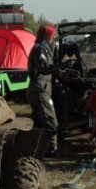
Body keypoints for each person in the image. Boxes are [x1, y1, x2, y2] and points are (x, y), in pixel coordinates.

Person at [27, 23, 59, 155]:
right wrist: (59, 67)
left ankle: (33, 152)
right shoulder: (40, 48)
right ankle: (41, 154)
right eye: (52, 36)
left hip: (38, 89)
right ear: (47, 35)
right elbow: (43, 68)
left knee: (38, 124)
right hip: (40, 90)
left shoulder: (42, 48)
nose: (53, 38)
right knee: (52, 124)